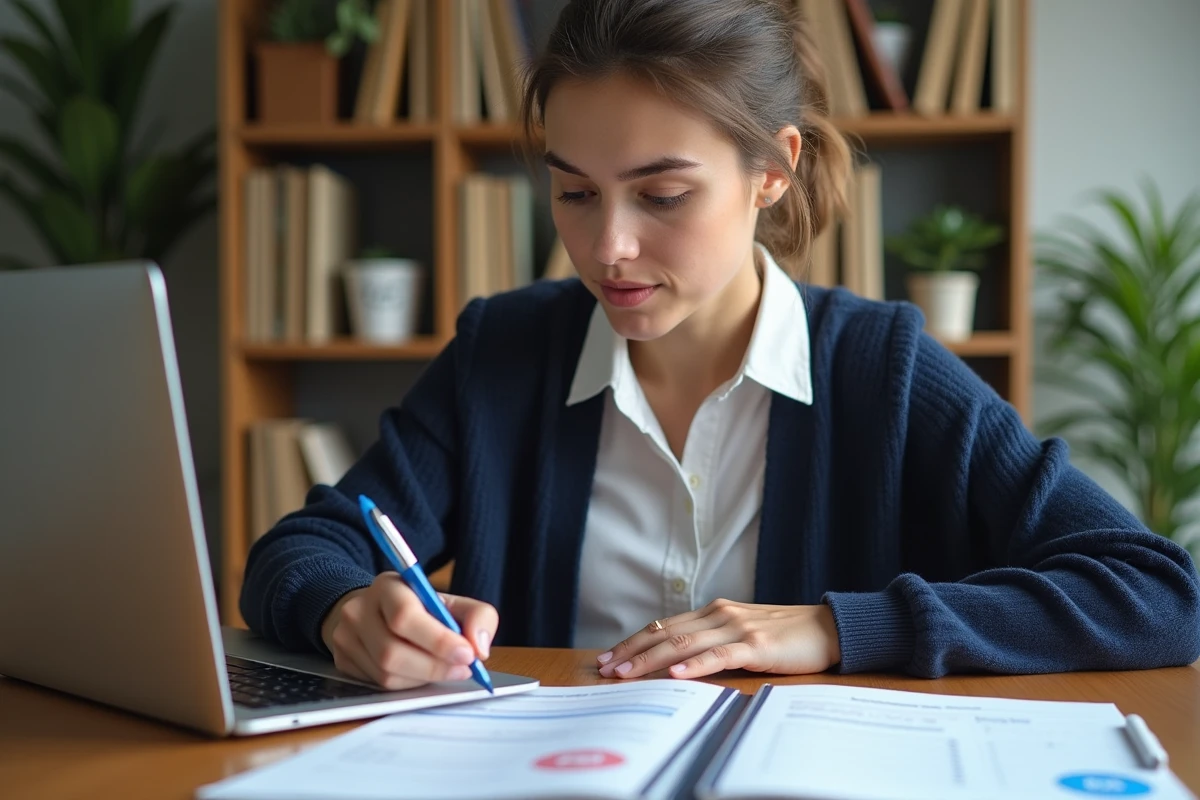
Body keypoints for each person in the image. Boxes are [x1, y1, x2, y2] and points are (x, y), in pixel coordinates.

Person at [240, 0, 1200, 690]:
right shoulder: (507, 350)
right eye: (574, 191)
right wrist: (345, 613)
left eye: (662, 195)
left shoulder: (885, 371)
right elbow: (303, 548)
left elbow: (1157, 592)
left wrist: (834, 627)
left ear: (772, 172)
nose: (606, 247)